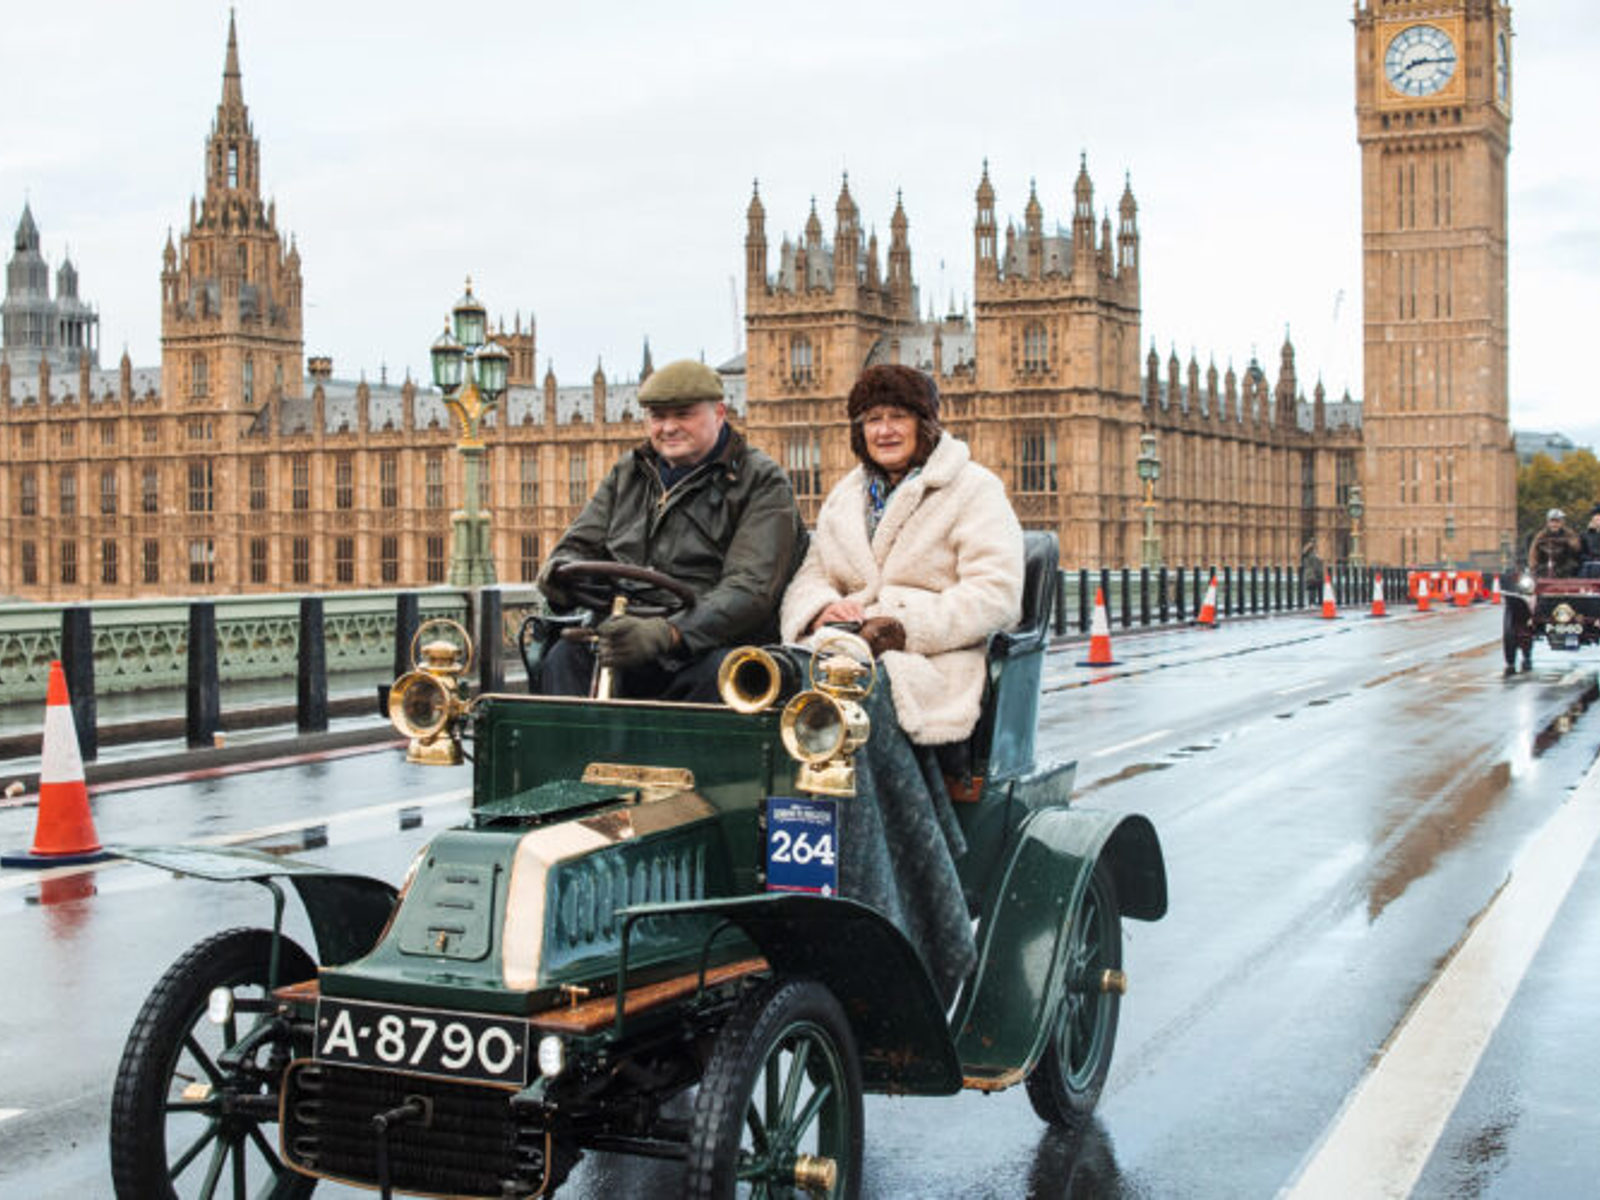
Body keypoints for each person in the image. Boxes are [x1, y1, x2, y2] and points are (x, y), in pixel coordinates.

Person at [780, 363, 1024, 1004]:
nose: (885, 430)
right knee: (779, 688)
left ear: (925, 424)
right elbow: (809, 577)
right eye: (873, 420)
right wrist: (821, 610)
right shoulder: (845, 497)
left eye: (898, 417)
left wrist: (902, 626)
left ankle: (900, 903)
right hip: (841, 652)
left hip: (931, 663)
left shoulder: (973, 489)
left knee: (854, 703)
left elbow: (997, 594)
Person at [536, 358, 806, 701]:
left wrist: (670, 633)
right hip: (625, 639)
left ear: (719, 414)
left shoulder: (760, 480)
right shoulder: (629, 472)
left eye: (683, 415)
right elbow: (579, 543)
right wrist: (559, 573)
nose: (668, 428)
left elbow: (750, 589)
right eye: (658, 417)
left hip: (707, 646)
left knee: (723, 675)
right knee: (563, 658)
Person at [1527, 507, 1582, 578]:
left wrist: (1567, 542)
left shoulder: (1569, 533)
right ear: (1548, 523)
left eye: (1557, 522)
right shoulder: (1541, 535)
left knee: (1573, 566)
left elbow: (1577, 547)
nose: (1555, 524)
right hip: (1545, 564)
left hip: (1564, 564)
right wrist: (1533, 567)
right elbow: (1533, 553)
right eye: (1552, 521)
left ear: (1562, 523)